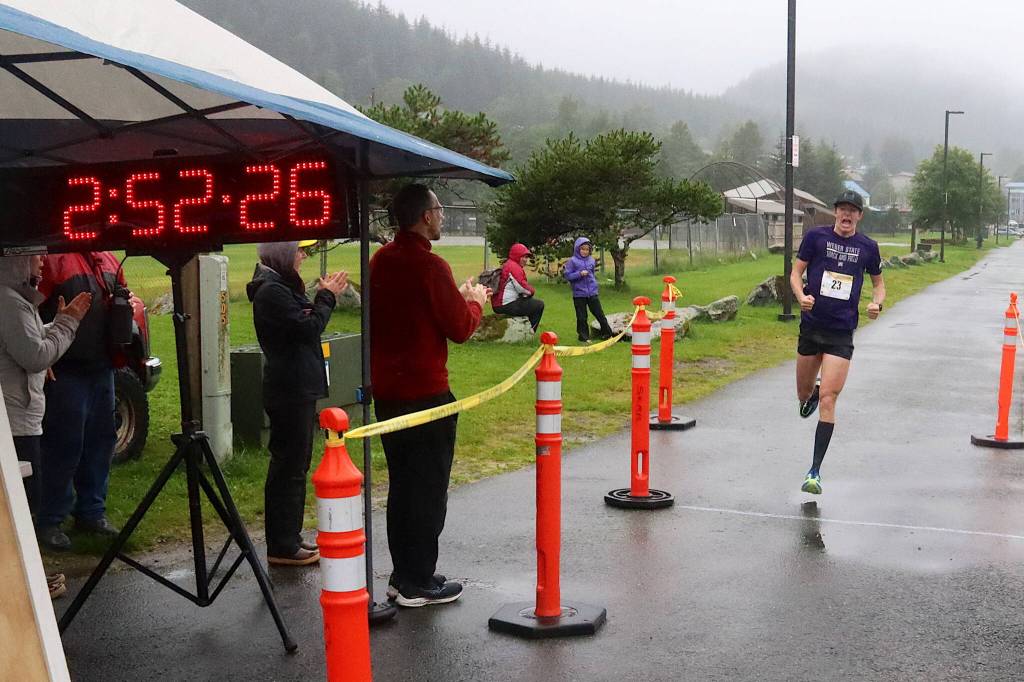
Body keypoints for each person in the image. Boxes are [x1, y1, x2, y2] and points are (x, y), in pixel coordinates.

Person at [369, 184, 487, 607]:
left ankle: (406, 572)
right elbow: (459, 328)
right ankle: (417, 581)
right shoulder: (430, 266)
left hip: (388, 393)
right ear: (424, 216)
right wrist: (473, 302)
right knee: (429, 489)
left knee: (403, 486)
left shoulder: (380, 261)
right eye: (438, 210)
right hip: (425, 392)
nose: (442, 217)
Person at [247, 240, 348, 566]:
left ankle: (289, 537)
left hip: (297, 387)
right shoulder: (271, 292)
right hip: (289, 389)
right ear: (282, 255)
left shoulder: (283, 287)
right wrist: (326, 298)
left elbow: (304, 322)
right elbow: (308, 328)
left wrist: (318, 299)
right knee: (288, 467)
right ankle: (282, 544)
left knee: (296, 466)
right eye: (299, 251)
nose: (304, 256)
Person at [0, 254, 91, 595]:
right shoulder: (9, 302)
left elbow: (29, 344)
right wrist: (67, 326)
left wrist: (58, 323)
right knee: (23, 504)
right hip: (14, 420)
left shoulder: (17, 301)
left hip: (19, 413)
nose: (42, 263)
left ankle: (25, 577)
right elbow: (34, 355)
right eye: (36, 258)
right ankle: (25, 586)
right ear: (15, 262)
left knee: (24, 501)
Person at [791, 190, 885, 495]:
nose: (847, 215)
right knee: (804, 397)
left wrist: (876, 304)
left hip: (841, 332)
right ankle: (813, 392)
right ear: (835, 212)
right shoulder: (816, 238)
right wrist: (800, 296)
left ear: (860, 216)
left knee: (830, 399)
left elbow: (878, 284)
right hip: (812, 325)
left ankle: (814, 472)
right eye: (842, 209)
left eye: (853, 211)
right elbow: (796, 272)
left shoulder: (868, 247)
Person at [35, 251, 128, 551]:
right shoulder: (53, 261)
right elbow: (29, 308)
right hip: (66, 370)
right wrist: (39, 352)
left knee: (101, 441)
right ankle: (50, 518)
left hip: (103, 368)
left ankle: (92, 512)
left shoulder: (111, 260)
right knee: (63, 445)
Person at [563, 236, 615, 343]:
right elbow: (568, 276)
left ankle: (608, 334)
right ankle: (584, 337)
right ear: (577, 249)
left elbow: (592, 275)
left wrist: (594, 285)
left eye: (587, 249)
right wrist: (579, 274)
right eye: (582, 249)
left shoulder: (591, 260)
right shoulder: (572, 261)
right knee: (582, 317)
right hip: (579, 294)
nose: (585, 251)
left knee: (599, 314)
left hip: (592, 293)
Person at [491, 243, 544, 331]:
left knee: (529, 303)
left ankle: (524, 330)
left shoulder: (509, 264)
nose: (525, 260)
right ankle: (530, 332)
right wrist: (532, 291)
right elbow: (522, 288)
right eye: (523, 257)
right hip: (504, 304)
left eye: (527, 257)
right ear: (517, 256)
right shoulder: (514, 267)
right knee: (539, 305)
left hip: (500, 303)